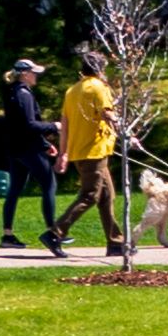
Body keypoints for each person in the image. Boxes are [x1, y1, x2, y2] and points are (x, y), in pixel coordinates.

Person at [56, 57, 128, 257]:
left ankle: (115, 242)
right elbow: (107, 113)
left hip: (80, 150)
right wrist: (125, 130)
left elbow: (65, 124)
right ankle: (56, 232)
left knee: (107, 196)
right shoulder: (98, 87)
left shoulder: (72, 91)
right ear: (100, 69)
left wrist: (63, 153)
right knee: (90, 195)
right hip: (94, 150)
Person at [0, 54, 64, 252]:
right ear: (24, 74)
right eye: (33, 73)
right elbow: (29, 125)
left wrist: (44, 144)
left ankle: (8, 235)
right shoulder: (24, 94)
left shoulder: (12, 92)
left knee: (15, 189)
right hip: (27, 149)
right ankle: (53, 232)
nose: (36, 76)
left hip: (16, 149)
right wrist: (54, 126)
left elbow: (19, 127)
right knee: (49, 184)